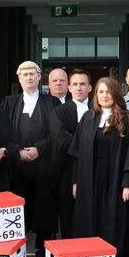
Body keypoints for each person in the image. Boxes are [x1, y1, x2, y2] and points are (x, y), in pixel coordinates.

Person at [69, 77, 129, 257]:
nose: (104, 96)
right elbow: (77, 152)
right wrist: (76, 181)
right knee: (91, 220)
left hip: (116, 179)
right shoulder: (88, 118)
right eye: (100, 92)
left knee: (114, 221)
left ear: (116, 94)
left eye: (108, 91)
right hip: (90, 178)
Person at [1, 61, 61, 257]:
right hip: (17, 171)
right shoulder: (9, 103)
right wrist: (17, 151)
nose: (28, 78)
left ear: (39, 77)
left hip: (44, 170)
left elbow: (57, 133)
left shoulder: (52, 102)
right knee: (17, 218)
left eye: (32, 74)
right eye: (24, 74)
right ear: (19, 79)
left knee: (44, 216)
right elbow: (3, 133)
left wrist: (39, 149)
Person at [50, 69, 92, 239]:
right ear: (69, 88)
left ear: (90, 87)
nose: (78, 88)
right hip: (66, 169)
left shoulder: (99, 108)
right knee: (68, 213)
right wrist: (88, 148)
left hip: (95, 167)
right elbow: (61, 138)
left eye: (82, 84)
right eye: (75, 84)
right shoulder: (59, 111)